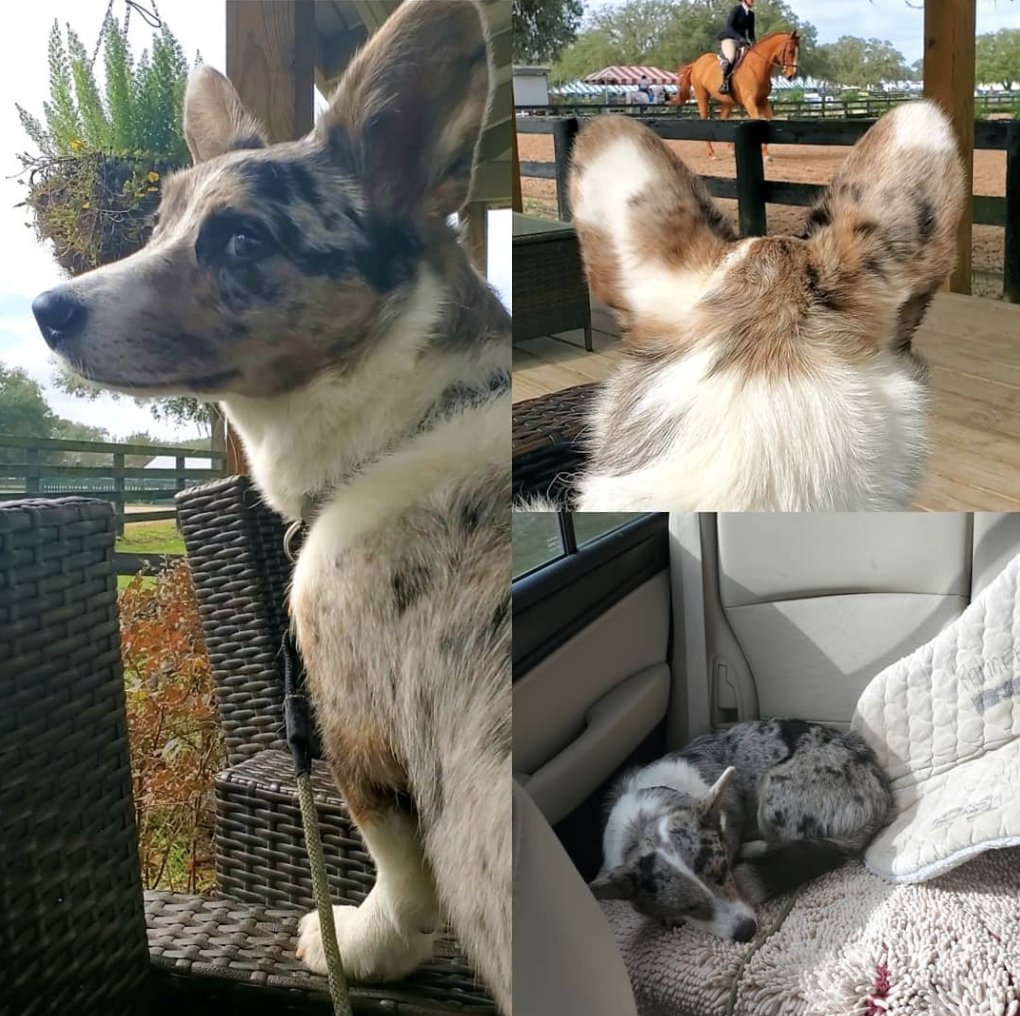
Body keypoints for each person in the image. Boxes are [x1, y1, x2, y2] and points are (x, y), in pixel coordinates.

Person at [718, 0, 755, 94]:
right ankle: (724, 82)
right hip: (729, 38)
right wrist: (739, 37)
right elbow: (729, 27)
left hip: (742, 41)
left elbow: (751, 33)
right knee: (731, 57)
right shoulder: (736, 10)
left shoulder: (751, 14)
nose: (753, 0)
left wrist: (754, 44)